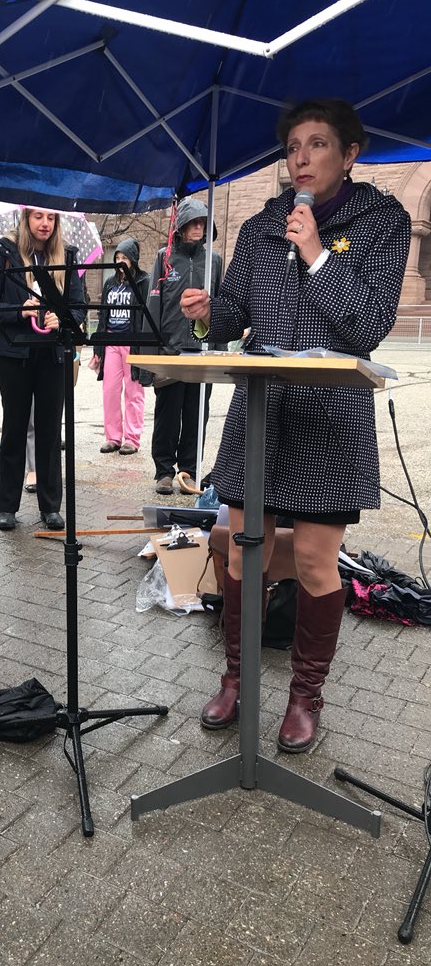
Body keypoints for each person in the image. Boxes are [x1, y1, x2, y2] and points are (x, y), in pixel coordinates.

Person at [181, 98, 411, 752]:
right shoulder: (260, 227)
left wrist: (316, 254)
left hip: (330, 416)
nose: (301, 157)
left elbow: (367, 326)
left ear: (349, 155)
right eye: (293, 147)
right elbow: (234, 317)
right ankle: (234, 678)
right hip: (262, 410)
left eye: (316, 145)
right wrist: (204, 312)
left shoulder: (382, 223)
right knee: (238, 544)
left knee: (313, 559)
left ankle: (306, 694)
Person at [0, 207, 86, 532]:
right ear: (26, 219)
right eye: (38, 216)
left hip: (52, 355)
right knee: (13, 428)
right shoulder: (7, 251)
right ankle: (7, 507)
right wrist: (18, 310)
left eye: (51, 218)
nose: (45, 223)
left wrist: (62, 318)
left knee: (50, 431)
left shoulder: (67, 255)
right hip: (13, 355)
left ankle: (51, 507)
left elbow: (79, 306)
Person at [146, 198, 223, 496]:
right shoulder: (164, 257)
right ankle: (164, 471)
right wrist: (150, 354)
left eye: (203, 223)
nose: (198, 227)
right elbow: (154, 303)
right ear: (180, 227)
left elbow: (220, 304)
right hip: (170, 352)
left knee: (195, 416)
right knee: (167, 415)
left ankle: (188, 470)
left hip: (202, 354)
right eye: (193, 222)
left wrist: (218, 347)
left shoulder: (213, 261)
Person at [89, 237, 149, 455]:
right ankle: (113, 436)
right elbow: (103, 314)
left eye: (124, 257)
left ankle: (132, 439)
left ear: (133, 259)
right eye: (117, 257)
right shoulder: (110, 283)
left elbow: (146, 314)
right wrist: (98, 347)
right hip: (111, 340)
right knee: (110, 390)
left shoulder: (143, 281)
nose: (120, 261)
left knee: (134, 391)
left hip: (132, 342)